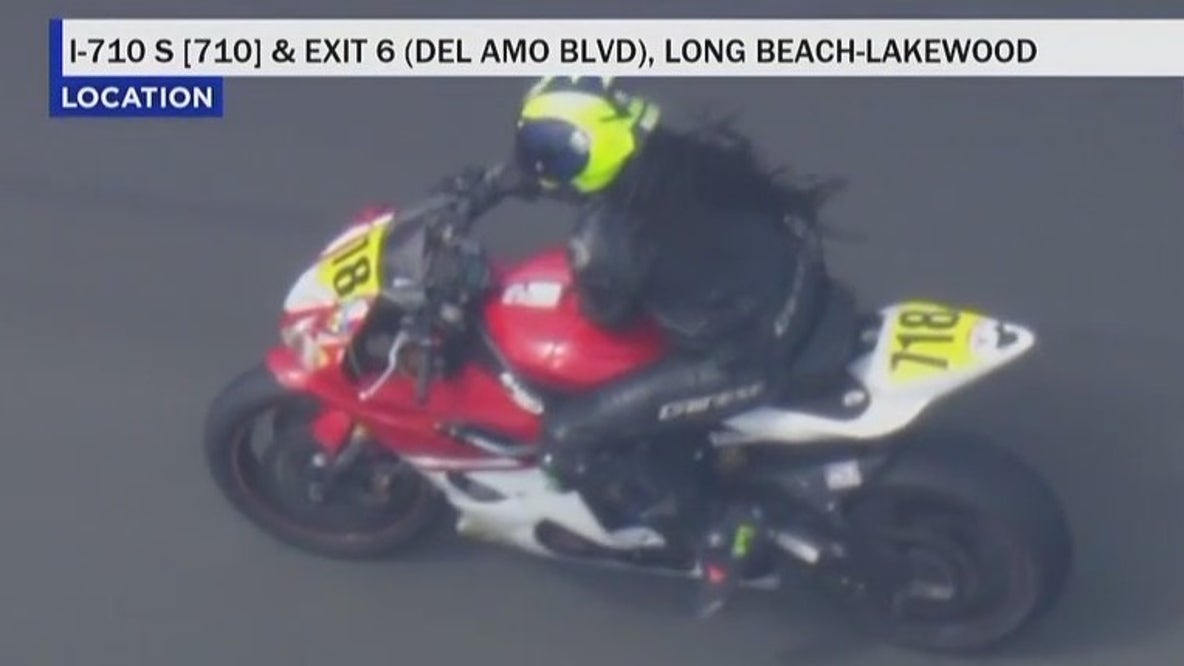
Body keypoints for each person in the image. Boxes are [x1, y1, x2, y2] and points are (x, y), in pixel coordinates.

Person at [436, 76, 839, 617]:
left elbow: (610, 316)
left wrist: (585, 268)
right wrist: (498, 183)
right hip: (797, 285)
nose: (538, 160)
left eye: (550, 149)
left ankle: (718, 530)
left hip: (745, 356)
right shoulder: (677, 157)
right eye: (535, 145)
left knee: (570, 437)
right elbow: (564, 172)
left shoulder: (612, 239)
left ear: (592, 153)